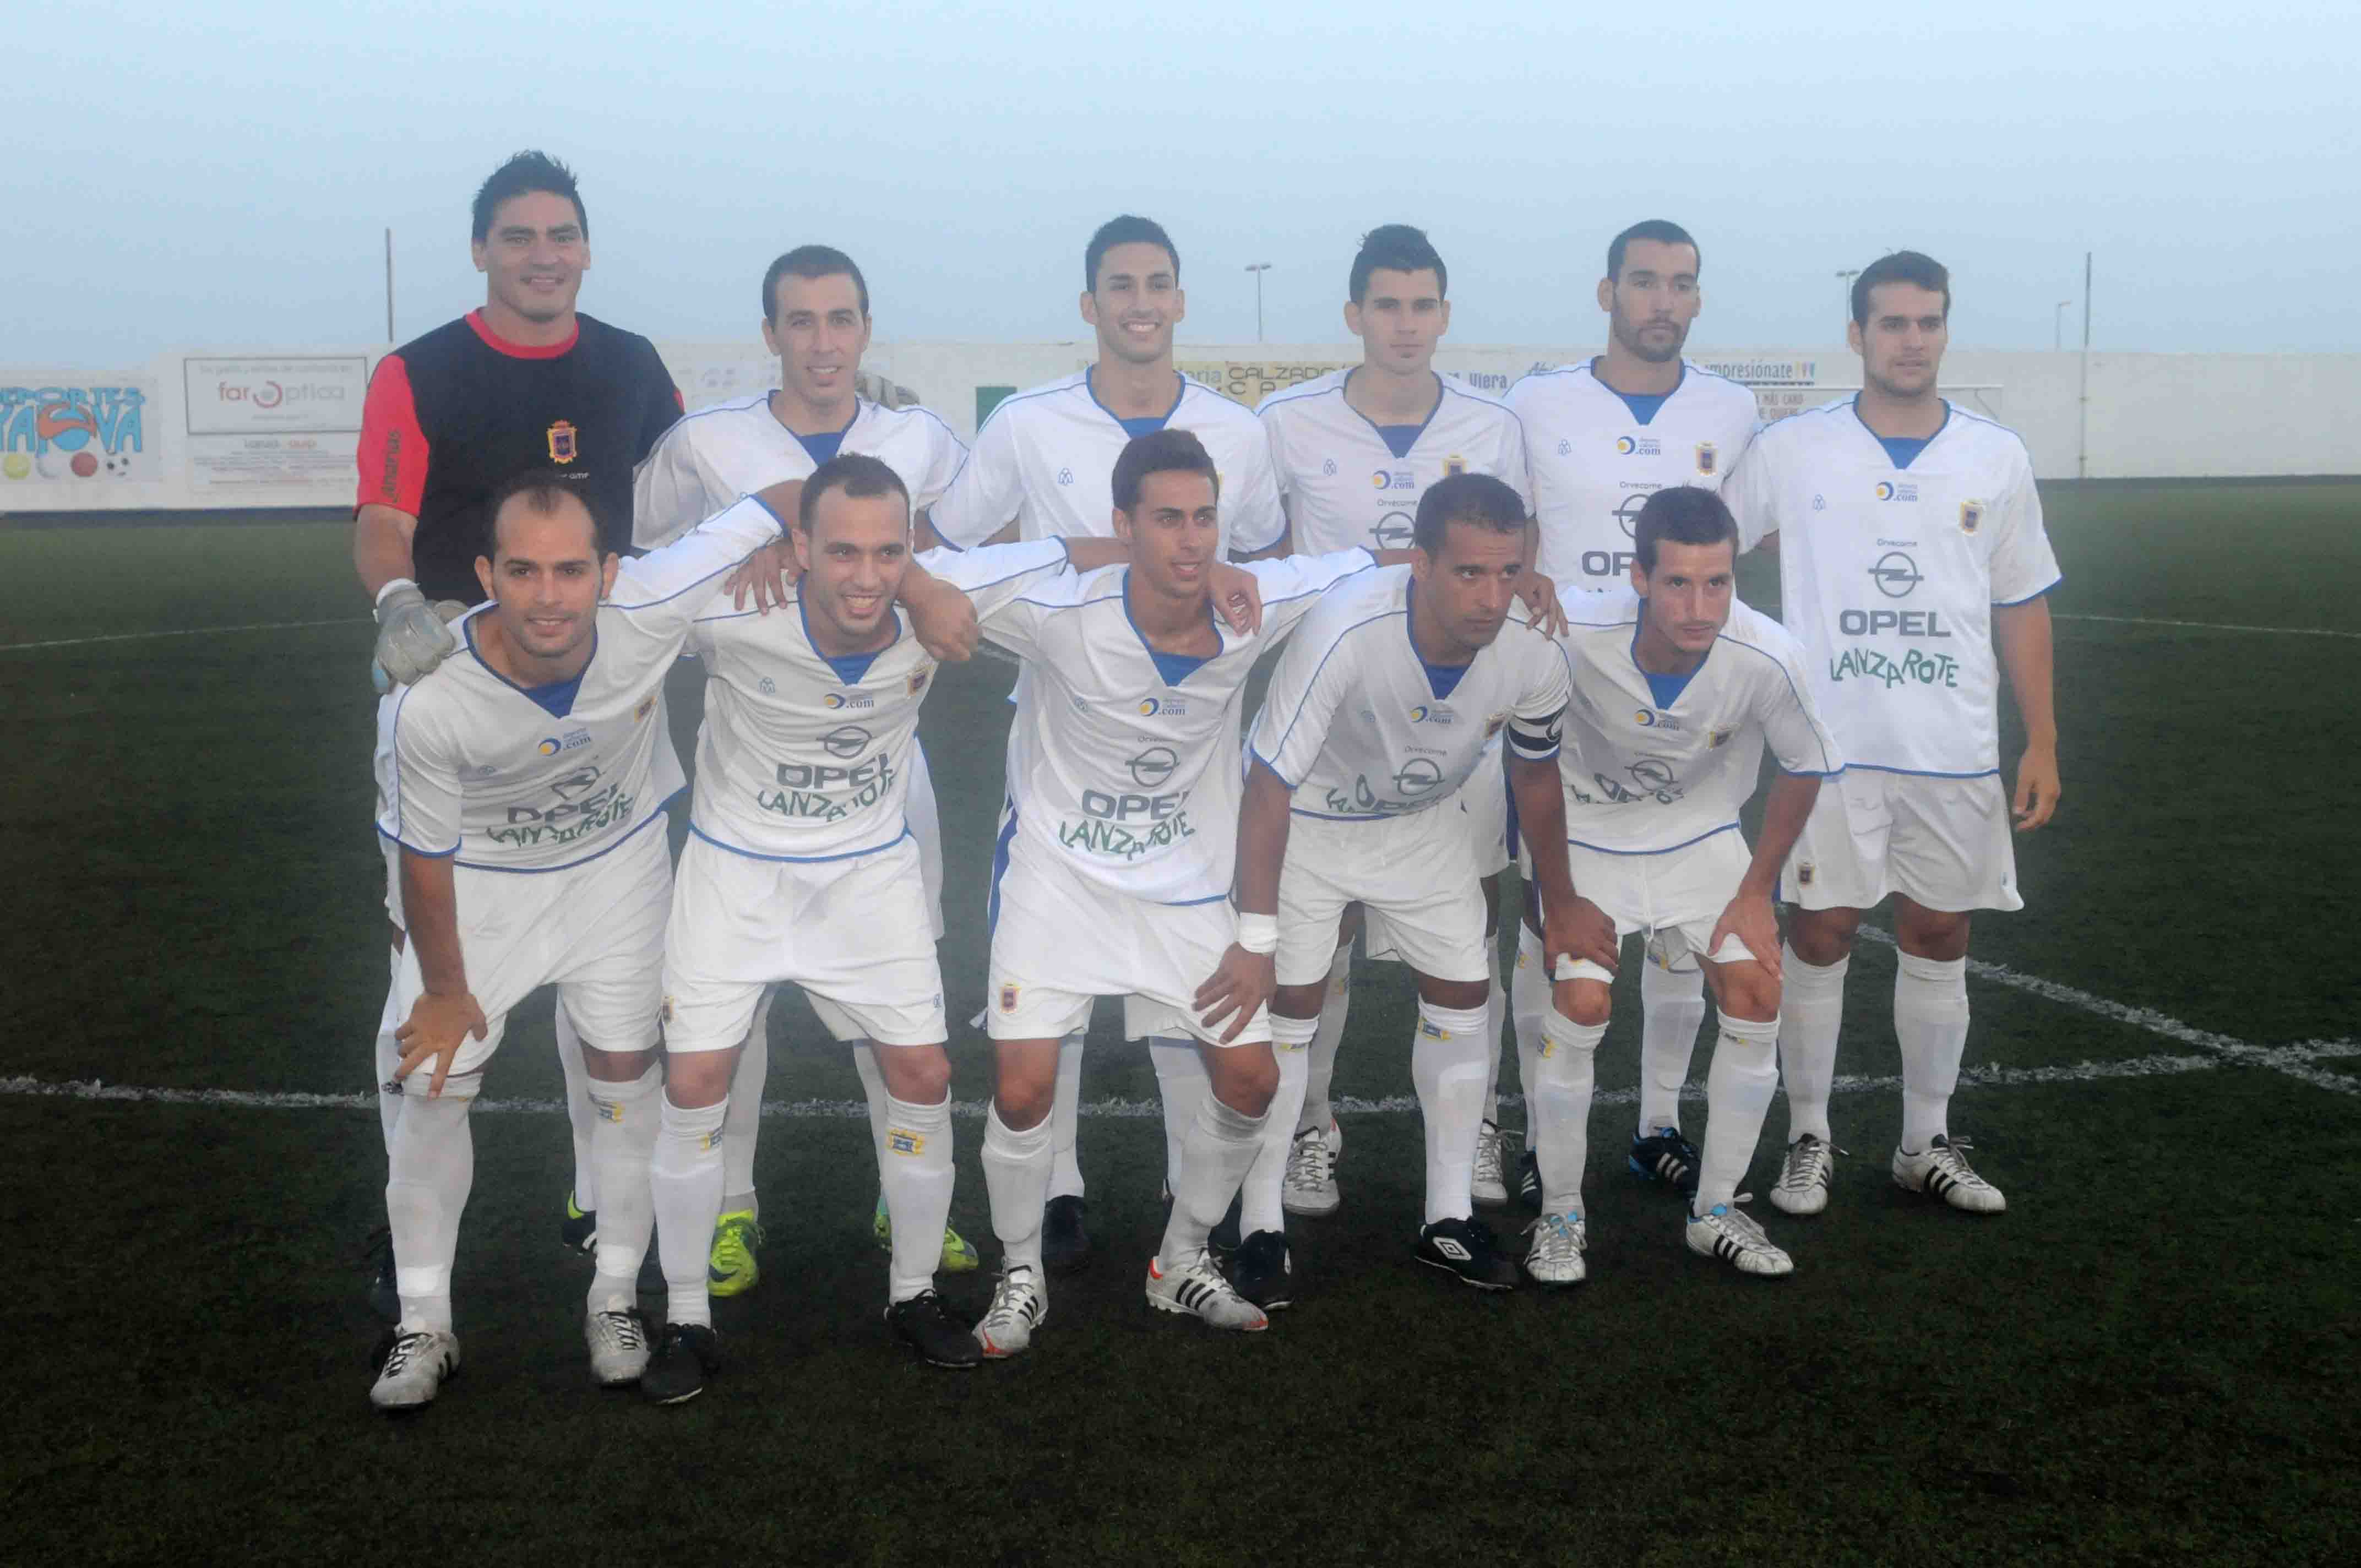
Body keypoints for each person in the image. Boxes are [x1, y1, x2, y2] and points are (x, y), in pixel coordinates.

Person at [635, 456, 1076, 1397]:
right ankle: (684, 1317)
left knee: (924, 1074)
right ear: (799, 546)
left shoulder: (942, 597)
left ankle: (913, 1294)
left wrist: (1218, 570)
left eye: (888, 554)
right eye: (841, 552)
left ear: (913, 550)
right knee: (695, 1081)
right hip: (735, 875)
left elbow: (1067, 553)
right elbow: (630, 595)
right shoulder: (731, 606)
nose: (866, 576)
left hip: (868, 879)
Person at [365, 473, 779, 1411]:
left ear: (610, 572)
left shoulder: (651, 605)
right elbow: (424, 861)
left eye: (570, 571)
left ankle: (615, 1297)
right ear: (485, 576)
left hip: (616, 872)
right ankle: (424, 1322)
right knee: (433, 1082)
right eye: (523, 572)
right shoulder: (427, 701)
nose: (548, 596)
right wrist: (444, 992)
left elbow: (785, 493)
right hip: (481, 886)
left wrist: (788, 539)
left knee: (627, 1075)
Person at [924, 215, 1290, 1274]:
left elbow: (1265, 558)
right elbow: (946, 548)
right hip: (1066, 717)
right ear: (1090, 305)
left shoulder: (1237, 431)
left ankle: (1189, 1187)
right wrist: (1092, 557)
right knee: (1058, 962)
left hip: (1190, 732)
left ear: (1181, 300)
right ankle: (1061, 1186)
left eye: (1158, 283)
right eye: (1120, 285)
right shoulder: (1028, 424)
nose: (1141, 302)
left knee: (1185, 966)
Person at [966, 429, 1379, 1356]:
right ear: (1123, 525)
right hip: (1058, 880)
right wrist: (1077, 551)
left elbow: (1366, 567)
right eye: (1166, 520)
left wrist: (1522, 580)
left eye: (1204, 519)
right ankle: (1020, 1272)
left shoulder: (1250, 604)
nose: (1191, 540)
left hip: (1186, 891)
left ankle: (1181, 1259)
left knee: (1253, 1080)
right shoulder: (1056, 611)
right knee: (1023, 1092)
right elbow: (935, 576)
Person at [354, 152, 683, 1305]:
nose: (544, 255)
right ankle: (412, 1245)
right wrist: (402, 603)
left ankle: (601, 1203)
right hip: (460, 687)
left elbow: (683, 493)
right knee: (427, 1000)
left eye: (561, 234)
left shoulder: (631, 364)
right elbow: (384, 515)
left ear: (586, 248)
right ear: (481, 250)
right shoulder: (419, 370)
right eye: (519, 235)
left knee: (611, 985)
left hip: (589, 685)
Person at [630, 244, 979, 1295]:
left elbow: (963, 550)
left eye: (841, 319)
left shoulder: (921, 438)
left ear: (867, 328)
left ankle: (900, 1200)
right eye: (801, 320)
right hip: (756, 759)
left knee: (896, 1003)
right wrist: (746, 535)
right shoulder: (708, 440)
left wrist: (911, 577)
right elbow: (649, 555)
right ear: (770, 333)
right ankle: (732, 1205)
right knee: (730, 1017)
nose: (823, 342)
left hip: (882, 772)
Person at [1723, 250, 2061, 1218]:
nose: (1913, 341)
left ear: (1945, 329)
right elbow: (1712, 548)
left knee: (1940, 930)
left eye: (1928, 322)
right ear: (1857, 335)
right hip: (1829, 752)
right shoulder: (1796, 448)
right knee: (1820, 930)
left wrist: (2041, 740)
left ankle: (1924, 1142)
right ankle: (1809, 1137)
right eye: (1893, 323)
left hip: (1954, 747)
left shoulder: (1995, 455)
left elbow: (2021, 601)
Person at [1226, 473, 1604, 1301]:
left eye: (1508, 572)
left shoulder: (1535, 648)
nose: (1493, 597)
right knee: (1291, 1003)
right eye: (1470, 572)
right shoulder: (1345, 628)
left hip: (1424, 823)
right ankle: (1259, 1225)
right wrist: (1254, 937)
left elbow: (1536, 777)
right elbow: (1268, 786)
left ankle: (1447, 1218)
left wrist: (1564, 898)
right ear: (1420, 565)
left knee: (1465, 993)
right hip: (1313, 823)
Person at [1256, 223, 1538, 1220]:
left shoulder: (1493, 425)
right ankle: (1310, 1127)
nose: (1406, 325)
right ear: (1355, 314)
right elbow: (1266, 567)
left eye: (1423, 306)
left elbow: (1516, 558)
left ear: (1445, 315)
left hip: (1457, 731)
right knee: (1319, 945)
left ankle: (1479, 1125)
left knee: (1473, 926)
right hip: (1337, 730)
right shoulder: (1287, 422)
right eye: (1387, 305)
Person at [1502, 219, 1764, 1210]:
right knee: (1548, 919)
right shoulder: (1537, 403)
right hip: (1563, 694)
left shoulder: (1733, 410)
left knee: (1679, 925)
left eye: (1681, 284)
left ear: (1698, 298)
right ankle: (1540, 1138)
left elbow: (1736, 546)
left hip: (1683, 696)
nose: (1663, 300)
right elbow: (1514, 532)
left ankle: (1658, 1125)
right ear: (1607, 292)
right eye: (1645, 281)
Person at [1521, 486, 1842, 1286]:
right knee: (1582, 1002)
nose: (1700, 607)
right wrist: (1559, 896)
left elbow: (1805, 766)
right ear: (1638, 577)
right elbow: (1527, 761)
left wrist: (1755, 893)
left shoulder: (1768, 654)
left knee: (1757, 990)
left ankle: (1716, 1211)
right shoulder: (1571, 632)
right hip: (1590, 836)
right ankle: (1560, 1214)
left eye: (1717, 583)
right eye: (1677, 584)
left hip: (1700, 835)